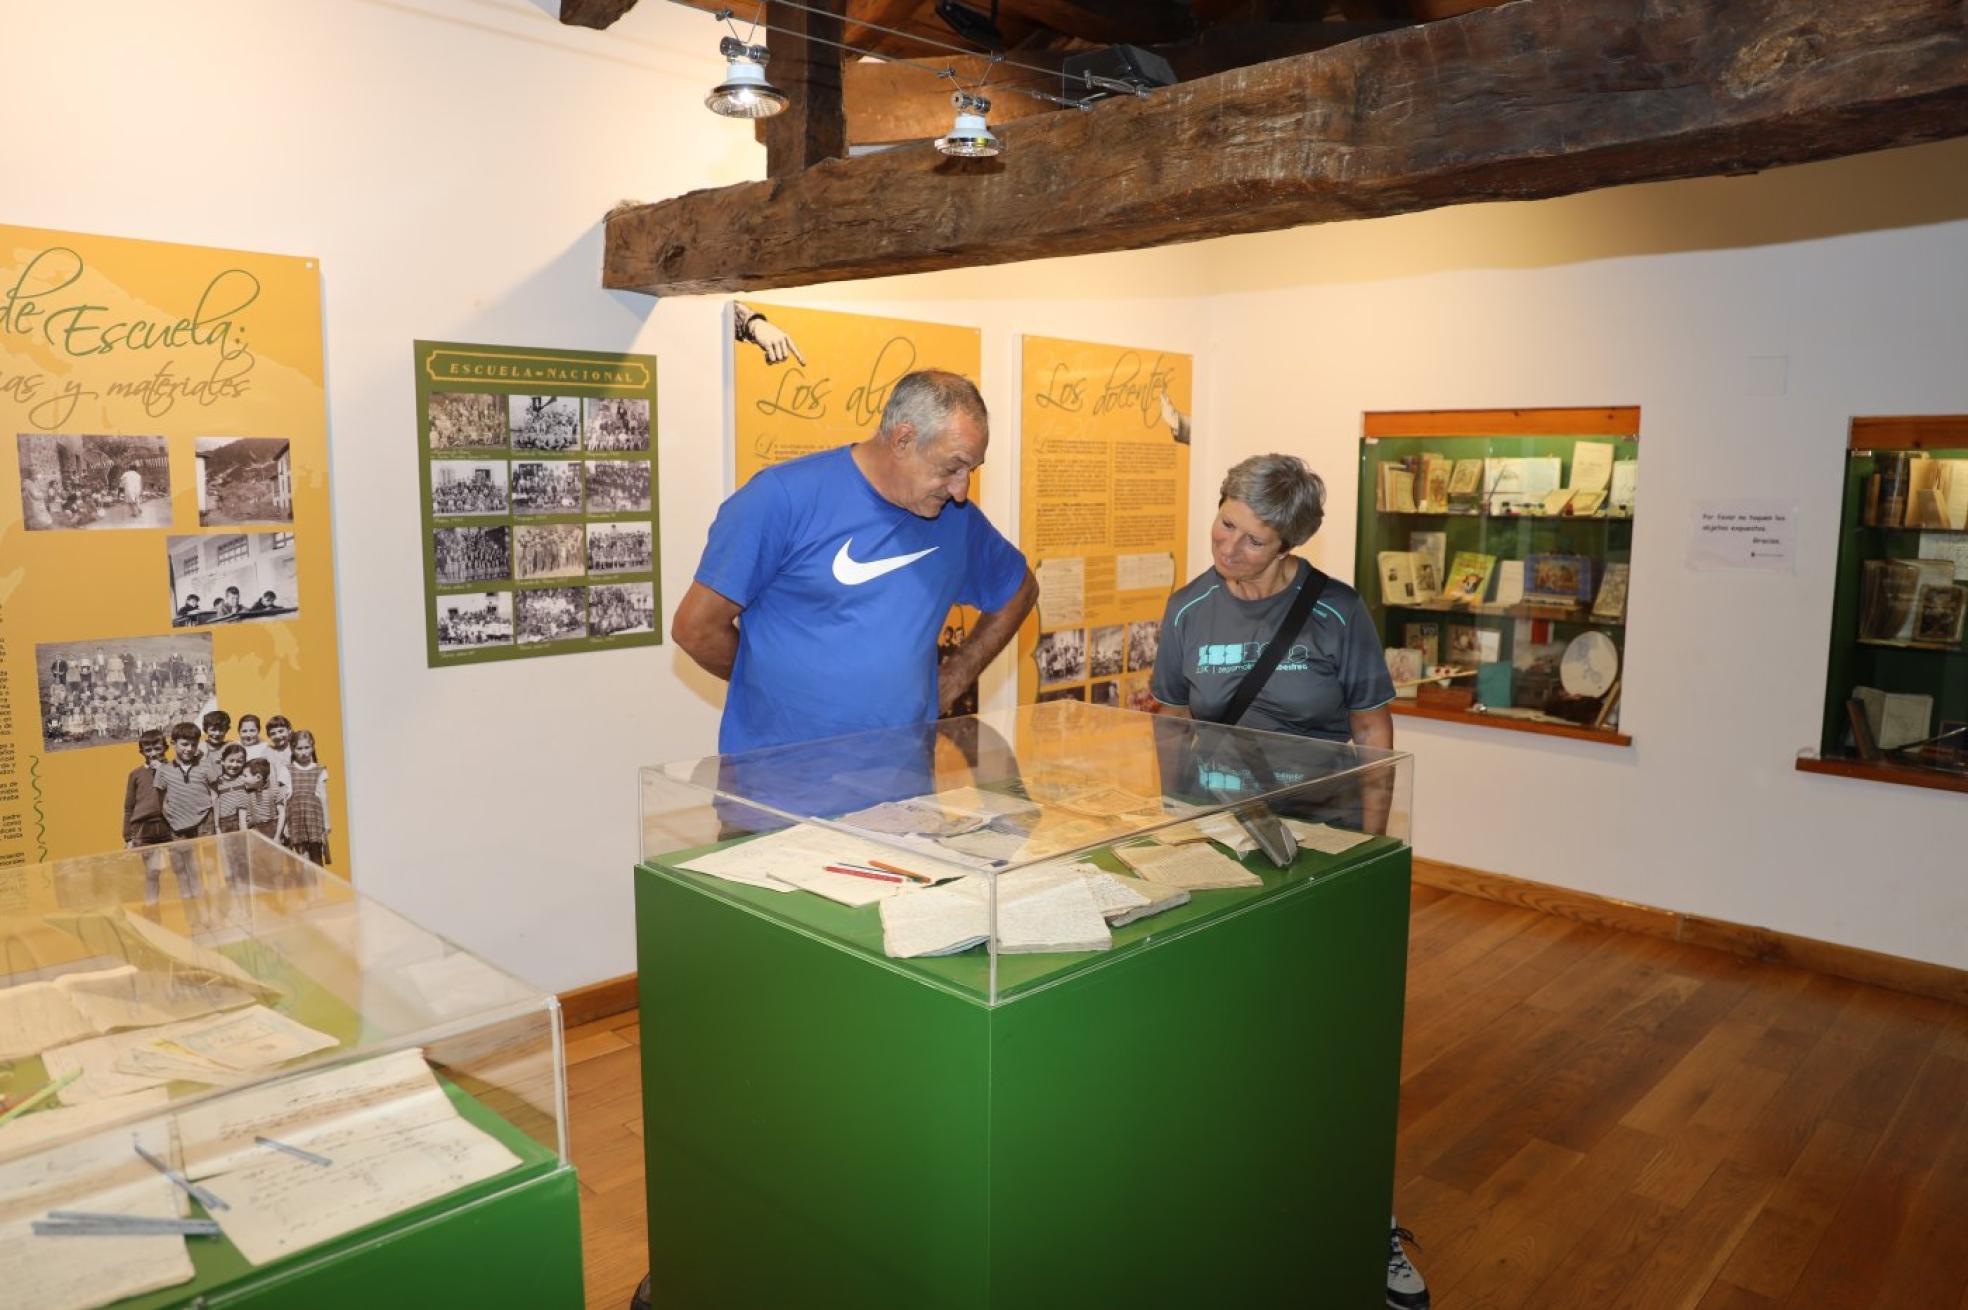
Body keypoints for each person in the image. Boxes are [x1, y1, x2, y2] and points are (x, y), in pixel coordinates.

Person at [1146, 453, 1421, 1310]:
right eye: (1223, 524)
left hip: (1321, 848)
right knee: (1226, 1042)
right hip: (1220, 849)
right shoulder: (1188, 607)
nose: (1227, 547)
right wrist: (1170, 832)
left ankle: (1357, 1218)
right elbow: (1174, 729)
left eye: (1251, 539)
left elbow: (1374, 729)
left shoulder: (1337, 612)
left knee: (1330, 1044)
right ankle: (1231, 1208)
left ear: (1290, 541)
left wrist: (1369, 856)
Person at [672, 369, 1036, 754]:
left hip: (902, 793)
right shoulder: (781, 498)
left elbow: (1019, 589)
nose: (961, 490)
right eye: (952, 468)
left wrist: (957, 675)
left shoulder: (955, 519)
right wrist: (772, 688)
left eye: (971, 471)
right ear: (903, 439)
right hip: (778, 791)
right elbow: (696, 629)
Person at [281, 729, 330, 864]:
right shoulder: (287, 770)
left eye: (307, 748)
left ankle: (319, 885)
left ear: (313, 747)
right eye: (299, 748)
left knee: (316, 856)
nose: (303, 752)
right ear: (292, 749)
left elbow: (323, 797)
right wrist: (285, 825)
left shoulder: (319, 769)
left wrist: (327, 823)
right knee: (301, 858)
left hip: (314, 819)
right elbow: (285, 800)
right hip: (295, 820)